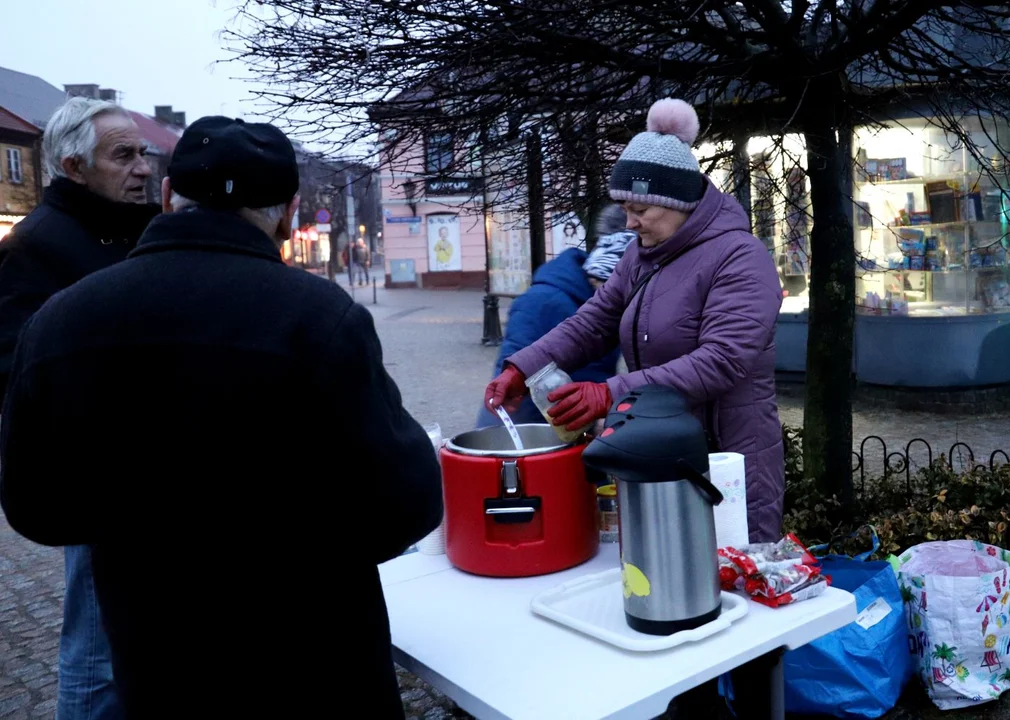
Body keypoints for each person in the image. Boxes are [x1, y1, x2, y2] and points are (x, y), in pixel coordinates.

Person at [0, 116, 443, 718]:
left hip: (156, 659)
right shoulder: (318, 318)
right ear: (288, 214)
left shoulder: (62, 319)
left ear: (167, 197)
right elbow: (407, 504)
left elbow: (37, 507)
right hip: (314, 661)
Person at [485, 98, 784, 543]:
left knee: (728, 584)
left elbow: (722, 359)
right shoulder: (641, 256)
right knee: (666, 578)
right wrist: (521, 367)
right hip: (660, 447)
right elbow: (593, 321)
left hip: (725, 458)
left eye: (640, 210)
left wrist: (609, 393)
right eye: (624, 207)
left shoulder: (740, 257)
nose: (630, 221)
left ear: (677, 200)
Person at [0, 96, 159, 720]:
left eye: (142, 152)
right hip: (101, 485)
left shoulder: (122, 229)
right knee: (96, 646)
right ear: (73, 166)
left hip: (141, 476)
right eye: (123, 155)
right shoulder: (37, 247)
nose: (142, 168)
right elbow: (16, 374)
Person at [476, 206, 634, 428]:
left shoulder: (604, 304)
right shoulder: (542, 302)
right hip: (529, 430)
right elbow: (514, 383)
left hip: (575, 424)